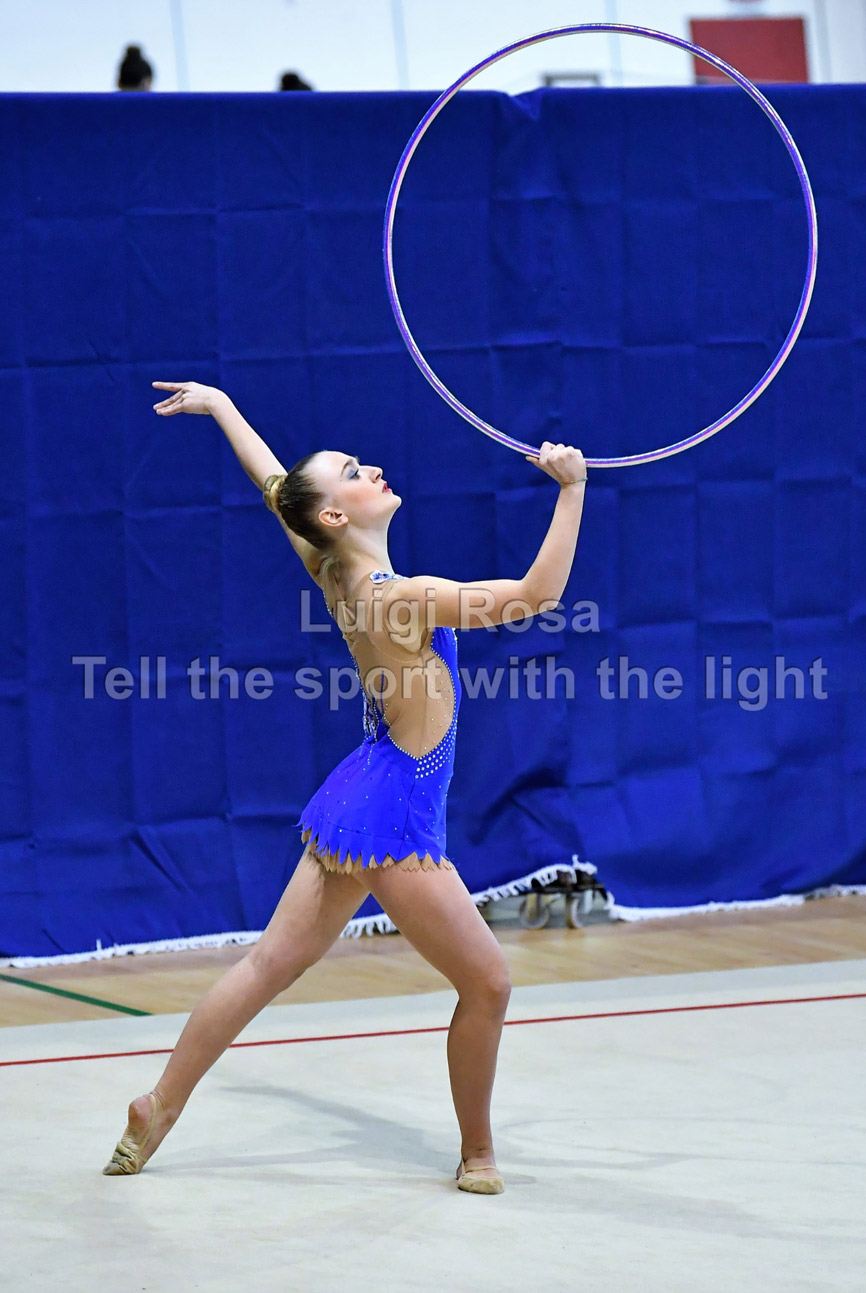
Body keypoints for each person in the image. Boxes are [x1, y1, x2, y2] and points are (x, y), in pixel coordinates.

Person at [101, 380, 588, 1194]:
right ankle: (477, 1152)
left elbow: (274, 491)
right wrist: (571, 491)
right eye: (355, 471)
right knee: (488, 981)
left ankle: (158, 1104)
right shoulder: (405, 598)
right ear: (337, 514)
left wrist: (223, 406)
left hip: (363, 788)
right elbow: (537, 598)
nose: (375, 469)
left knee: (266, 966)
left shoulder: (333, 571)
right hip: (392, 811)